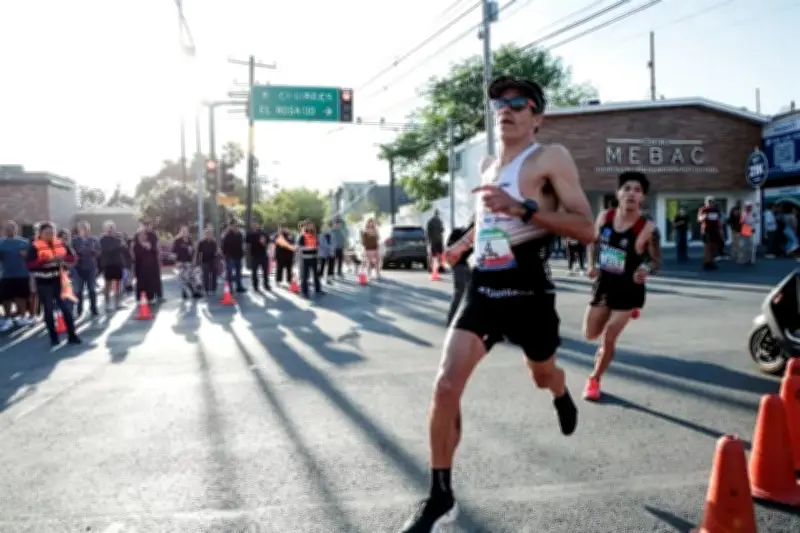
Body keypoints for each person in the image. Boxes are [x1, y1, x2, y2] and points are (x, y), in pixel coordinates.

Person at [399, 75, 595, 532]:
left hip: (528, 284)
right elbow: (488, 220)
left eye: (518, 103)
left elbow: (586, 228)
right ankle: (440, 495)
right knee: (446, 386)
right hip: (485, 282)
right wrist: (460, 247)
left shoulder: (550, 158)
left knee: (541, 373)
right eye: (500, 103)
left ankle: (561, 393)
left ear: (537, 116)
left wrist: (523, 209)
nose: (506, 109)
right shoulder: (488, 165)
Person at [581, 172, 660, 401]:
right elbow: (593, 242)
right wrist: (591, 264)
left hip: (628, 288)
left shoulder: (647, 228)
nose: (631, 194)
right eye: (627, 188)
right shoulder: (605, 217)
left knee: (608, 338)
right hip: (604, 284)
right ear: (618, 194)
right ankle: (618, 321)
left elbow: (656, 261)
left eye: (637, 190)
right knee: (589, 334)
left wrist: (646, 269)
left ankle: (594, 379)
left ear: (643, 197)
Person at [26, 222, 81, 346]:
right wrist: (45, 262)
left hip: (59, 281)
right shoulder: (34, 247)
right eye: (47, 233)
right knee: (49, 310)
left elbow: (72, 257)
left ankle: (72, 335)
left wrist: (63, 261)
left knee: (66, 309)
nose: (50, 235)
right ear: (40, 234)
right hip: (44, 283)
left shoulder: (61, 243)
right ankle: (53, 338)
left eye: (52, 232)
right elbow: (30, 265)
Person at [0, 221, 34, 330]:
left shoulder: (24, 242)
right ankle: (8, 319)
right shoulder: (1, 243)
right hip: (6, 274)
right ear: (4, 230)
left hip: (22, 274)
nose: (10, 229)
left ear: (16, 229)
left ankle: (23, 317)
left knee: (21, 297)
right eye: (7, 228)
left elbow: (32, 258)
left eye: (12, 227)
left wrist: (26, 256)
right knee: (6, 298)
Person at [445, 218, 474, 326]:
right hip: (458, 264)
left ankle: (462, 318)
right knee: (459, 292)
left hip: (463, 264)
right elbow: (451, 249)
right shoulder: (461, 234)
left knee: (470, 291)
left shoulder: (465, 235)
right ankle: (452, 320)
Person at [71, 221, 100, 317]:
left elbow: (99, 252)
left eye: (86, 228)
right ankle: (79, 309)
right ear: (79, 230)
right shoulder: (74, 240)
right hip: (78, 268)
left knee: (92, 289)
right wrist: (77, 255)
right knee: (78, 290)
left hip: (90, 267)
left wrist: (93, 251)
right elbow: (71, 252)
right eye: (82, 229)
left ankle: (93, 308)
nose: (84, 230)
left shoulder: (94, 240)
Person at [99, 221, 126, 311]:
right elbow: (107, 249)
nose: (110, 229)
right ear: (105, 229)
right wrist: (117, 245)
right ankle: (107, 304)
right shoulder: (103, 239)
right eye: (108, 228)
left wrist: (120, 244)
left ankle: (117, 303)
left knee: (118, 284)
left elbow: (123, 248)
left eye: (112, 228)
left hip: (117, 263)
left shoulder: (118, 239)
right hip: (108, 264)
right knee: (108, 284)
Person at [296, 220, 323, 298]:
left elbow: (317, 245)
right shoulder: (302, 236)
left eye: (312, 225)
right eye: (309, 225)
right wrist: (309, 248)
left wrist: (317, 249)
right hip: (305, 259)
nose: (311, 226)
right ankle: (304, 292)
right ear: (306, 226)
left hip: (314, 258)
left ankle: (318, 290)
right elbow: (299, 248)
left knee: (316, 275)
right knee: (304, 276)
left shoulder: (314, 235)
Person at [697, 196, 723, 270]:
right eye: (709, 201)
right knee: (707, 247)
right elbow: (699, 219)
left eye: (712, 202)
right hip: (706, 230)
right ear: (706, 202)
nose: (710, 203)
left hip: (714, 230)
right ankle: (706, 262)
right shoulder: (703, 209)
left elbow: (719, 220)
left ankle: (712, 262)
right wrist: (704, 217)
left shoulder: (716, 210)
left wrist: (720, 230)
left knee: (714, 247)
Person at [221, 219, 246, 292]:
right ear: (231, 226)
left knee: (239, 272)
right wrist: (225, 255)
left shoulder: (240, 234)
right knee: (229, 273)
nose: (236, 227)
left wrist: (242, 252)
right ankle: (229, 288)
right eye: (234, 225)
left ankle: (239, 287)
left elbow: (242, 244)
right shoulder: (227, 235)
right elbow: (224, 246)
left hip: (238, 256)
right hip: (230, 257)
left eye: (237, 225)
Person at [246, 220, 271, 292]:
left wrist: (264, 243)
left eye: (255, 224)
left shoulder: (263, 233)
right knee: (254, 272)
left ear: (258, 224)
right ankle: (255, 286)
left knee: (265, 271)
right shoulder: (249, 233)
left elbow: (268, 243)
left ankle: (266, 285)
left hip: (263, 255)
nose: (254, 226)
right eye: (253, 225)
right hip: (254, 255)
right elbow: (247, 243)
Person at [172, 225, 195, 299]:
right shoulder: (177, 241)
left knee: (188, 277)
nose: (185, 232)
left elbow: (194, 251)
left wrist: (191, 250)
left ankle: (192, 291)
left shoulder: (190, 240)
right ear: (181, 232)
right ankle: (184, 293)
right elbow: (174, 251)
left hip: (188, 261)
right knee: (183, 278)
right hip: (180, 261)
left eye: (186, 231)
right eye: (183, 231)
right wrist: (177, 262)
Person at [197, 227, 220, 295]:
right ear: (205, 234)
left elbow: (216, 251)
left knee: (214, 276)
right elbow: (199, 252)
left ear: (212, 235)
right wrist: (198, 261)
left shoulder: (214, 242)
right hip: (205, 261)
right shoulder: (202, 242)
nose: (208, 235)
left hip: (213, 261)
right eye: (207, 234)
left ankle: (213, 289)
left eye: (210, 234)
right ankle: (206, 290)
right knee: (205, 276)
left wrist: (217, 253)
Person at [273, 222, 296, 287]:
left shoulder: (290, 235)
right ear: (279, 228)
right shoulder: (277, 235)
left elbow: (293, 243)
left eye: (285, 227)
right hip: (280, 255)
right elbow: (277, 242)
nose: (283, 229)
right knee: (279, 268)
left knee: (289, 268)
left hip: (289, 255)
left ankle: (289, 281)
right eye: (282, 227)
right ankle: (278, 281)